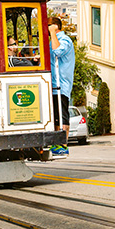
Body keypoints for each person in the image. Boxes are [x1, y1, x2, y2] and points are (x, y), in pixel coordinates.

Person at [48, 17, 74, 156]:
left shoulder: (65, 40)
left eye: (48, 26)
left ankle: (63, 144)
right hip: (53, 84)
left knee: (62, 114)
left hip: (61, 84)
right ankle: (56, 143)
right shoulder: (53, 40)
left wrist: (53, 32)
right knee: (56, 115)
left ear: (55, 26)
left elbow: (58, 51)